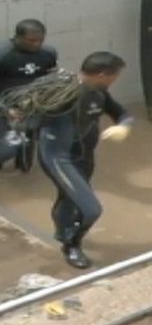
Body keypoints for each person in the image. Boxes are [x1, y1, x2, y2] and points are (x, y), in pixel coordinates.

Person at [0, 52, 133, 268]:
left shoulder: (98, 92)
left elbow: (122, 113)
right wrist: (20, 120)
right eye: (115, 76)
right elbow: (22, 116)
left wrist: (124, 126)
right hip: (58, 158)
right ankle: (71, 243)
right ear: (102, 75)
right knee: (92, 209)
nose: (116, 80)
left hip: (83, 154)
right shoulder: (58, 94)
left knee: (71, 197)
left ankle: (65, 233)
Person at [0, 19, 58, 172]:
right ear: (17, 37)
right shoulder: (3, 54)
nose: (37, 44)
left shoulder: (48, 53)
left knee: (28, 141)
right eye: (31, 40)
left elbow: (49, 78)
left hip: (32, 105)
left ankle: (23, 166)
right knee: (5, 144)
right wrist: (5, 109)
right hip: (5, 104)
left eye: (40, 40)